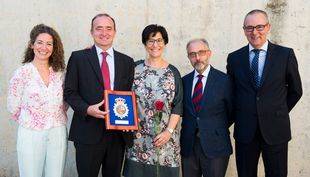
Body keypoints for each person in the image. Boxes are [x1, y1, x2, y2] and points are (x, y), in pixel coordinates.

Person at [226, 9, 303, 177]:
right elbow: (231, 94)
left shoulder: (285, 55)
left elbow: (296, 90)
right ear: (244, 29)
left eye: (260, 26)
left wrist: (277, 111)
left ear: (268, 27)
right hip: (245, 131)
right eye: (249, 27)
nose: (254, 32)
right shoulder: (234, 58)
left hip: (276, 130)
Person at [64, 13, 135, 177]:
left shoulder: (127, 61)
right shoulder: (78, 58)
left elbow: (128, 95)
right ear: (91, 32)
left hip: (118, 134)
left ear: (115, 32)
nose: (104, 33)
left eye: (109, 28)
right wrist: (87, 109)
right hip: (87, 131)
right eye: (99, 28)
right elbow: (69, 92)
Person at [7, 24, 67, 177]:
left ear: (54, 47)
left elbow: (65, 102)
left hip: (57, 130)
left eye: (49, 44)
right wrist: (33, 119)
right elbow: (13, 106)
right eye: (40, 42)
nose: (44, 47)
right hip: (31, 132)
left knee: (55, 174)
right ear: (31, 44)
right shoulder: (22, 73)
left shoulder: (60, 73)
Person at [123, 24, 183, 177]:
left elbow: (178, 105)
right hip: (138, 140)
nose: (155, 45)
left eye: (159, 40)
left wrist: (168, 132)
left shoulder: (173, 72)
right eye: (150, 41)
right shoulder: (133, 68)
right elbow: (122, 97)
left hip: (165, 140)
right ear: (145, 43)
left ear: (165, 43)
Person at [181, 39, 233, 177]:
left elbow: (232, 111)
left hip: (216, 145)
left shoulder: (225, 81)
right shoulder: (183, 81)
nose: (197, 58)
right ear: (188, 57)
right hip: (189, 145)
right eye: (192, 54)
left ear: (209, 53)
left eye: (201, 53)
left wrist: (213, 127)